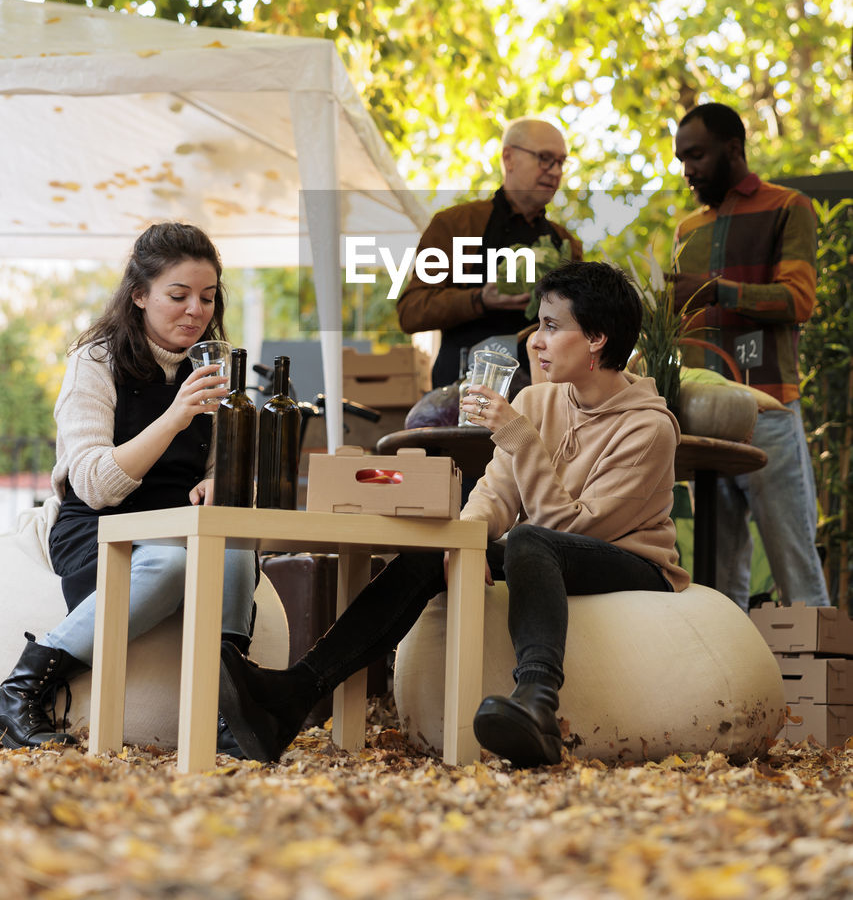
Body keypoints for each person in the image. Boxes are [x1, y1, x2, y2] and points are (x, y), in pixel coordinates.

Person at [218, 260, 688, 768]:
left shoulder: (649, 430)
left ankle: (538, 703)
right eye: (539, 326)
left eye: (552, 327)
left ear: (597, 338)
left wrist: (520, 439)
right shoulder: (537, 400)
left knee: (531, 540)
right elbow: (495, 495)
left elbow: (573, 529)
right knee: (433, 552)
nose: (536, 341)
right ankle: (292, 697)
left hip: (631, 561)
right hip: (550, 549)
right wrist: (462, 541)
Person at [0, 222, 258, 754]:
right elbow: (93, 484)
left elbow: (219, 463)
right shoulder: (95, 361)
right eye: (178, 295)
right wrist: (176, 416)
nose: (196, 311)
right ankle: (20, 690)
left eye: (208, 298)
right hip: (99, 527)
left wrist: (214, 481)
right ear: (139, 295)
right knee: (171, 564)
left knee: (234, 551)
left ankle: (227, 714)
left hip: (176, 523)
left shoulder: (212, 364)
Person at [672, 102, 829, 611]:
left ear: (733, 149)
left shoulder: (789, 206)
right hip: (701, 420)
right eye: (681, 158)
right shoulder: (686, 229)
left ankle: (825, 689)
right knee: (717, 585)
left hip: (769, 410)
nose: (687, 169)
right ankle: (729, 690)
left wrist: (715, 290)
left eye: (695, 155)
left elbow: (797, 300)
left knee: (796, 571)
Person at [397, 118, 582, 388]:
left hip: (543, 393)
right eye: (544, 158)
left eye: (561, 162)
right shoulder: (456, 225)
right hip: (464, 391)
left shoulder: (566, 243)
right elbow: (411, 311)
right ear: (509, 158)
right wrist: (480, 300)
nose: (555, 171)